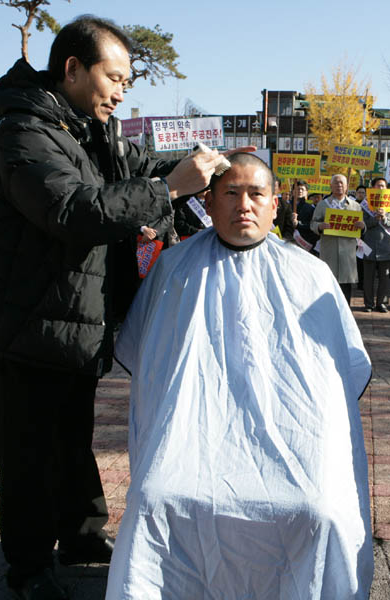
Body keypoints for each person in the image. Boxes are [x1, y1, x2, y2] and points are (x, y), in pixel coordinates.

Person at [0, 16, 244, 599]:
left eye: (126, 80)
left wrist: (200, 172)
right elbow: (73, 210)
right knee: (28, 452)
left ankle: (82, 535)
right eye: (112, 77)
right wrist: (170, 189)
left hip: (75, 321)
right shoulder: (25, 133)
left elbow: (136, 171)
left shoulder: (92, 130)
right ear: (72, 70)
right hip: (26, 324)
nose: (121, 91)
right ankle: (29, 569)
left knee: (71, 438)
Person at [105, 153, 373, 599]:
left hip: (292, 446)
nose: (243, 205)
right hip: (191, 443)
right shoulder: (173, 270)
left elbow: (336, 387)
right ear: (208, 203)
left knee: (320, 509)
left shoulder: (312, 275)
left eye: (256, 194)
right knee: (155, 497)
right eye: (231, 193)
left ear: (275, 206)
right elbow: (150, 372)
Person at [311, 174, 364, 304]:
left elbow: (361, 226)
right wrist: (319, 226)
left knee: (345, 289)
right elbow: (313, 223)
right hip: (329, 251)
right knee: (327, 285)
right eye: (336, 183)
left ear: (346, 187)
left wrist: (363, 226)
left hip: (347, 253)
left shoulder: (355, 206)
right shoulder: (323, 205)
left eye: (342, 183)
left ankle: (345, 317)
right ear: (331, 186)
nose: (339, 185)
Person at [360, 177, 390, 312]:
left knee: (385, 277)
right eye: (378, 185)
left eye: (383, 186)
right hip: (369, 244)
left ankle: (382, 303)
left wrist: (384, 218)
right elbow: (362, 225)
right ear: (372, 188)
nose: (381, 188)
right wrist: (375, 219)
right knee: (368, 277)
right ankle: (369, 304)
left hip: (386, 245)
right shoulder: (365, 204)